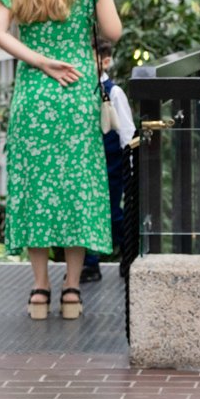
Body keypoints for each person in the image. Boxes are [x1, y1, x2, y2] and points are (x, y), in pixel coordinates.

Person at [0, 0, 122, 320]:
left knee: (35, 187)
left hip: (35, 95)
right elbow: (113, 32)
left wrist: (39, 60)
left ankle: (39, 290)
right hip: (77, 93)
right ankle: (73, 292)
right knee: (79, 188)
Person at [82, 39, 136, 283]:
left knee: (113, 212)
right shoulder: (80, 89)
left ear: (105, 61)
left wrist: (130, 164)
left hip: (111, 163)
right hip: (86, 162)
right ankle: (90, 264)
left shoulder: (114, 92)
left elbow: (126, 130)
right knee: (86, 211)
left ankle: (128, 256)